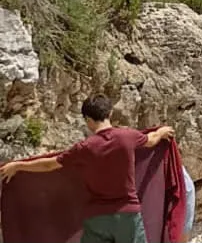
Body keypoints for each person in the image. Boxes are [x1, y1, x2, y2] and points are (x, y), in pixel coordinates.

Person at [0, 95, 174, 243]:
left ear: (88, 120)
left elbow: (49, 164)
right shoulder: (126, 137)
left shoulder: (85, 148)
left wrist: (18, 166)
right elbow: (151, 139)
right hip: (127, 216)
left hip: (97, 218)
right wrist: (162, 131)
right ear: (110, 113)